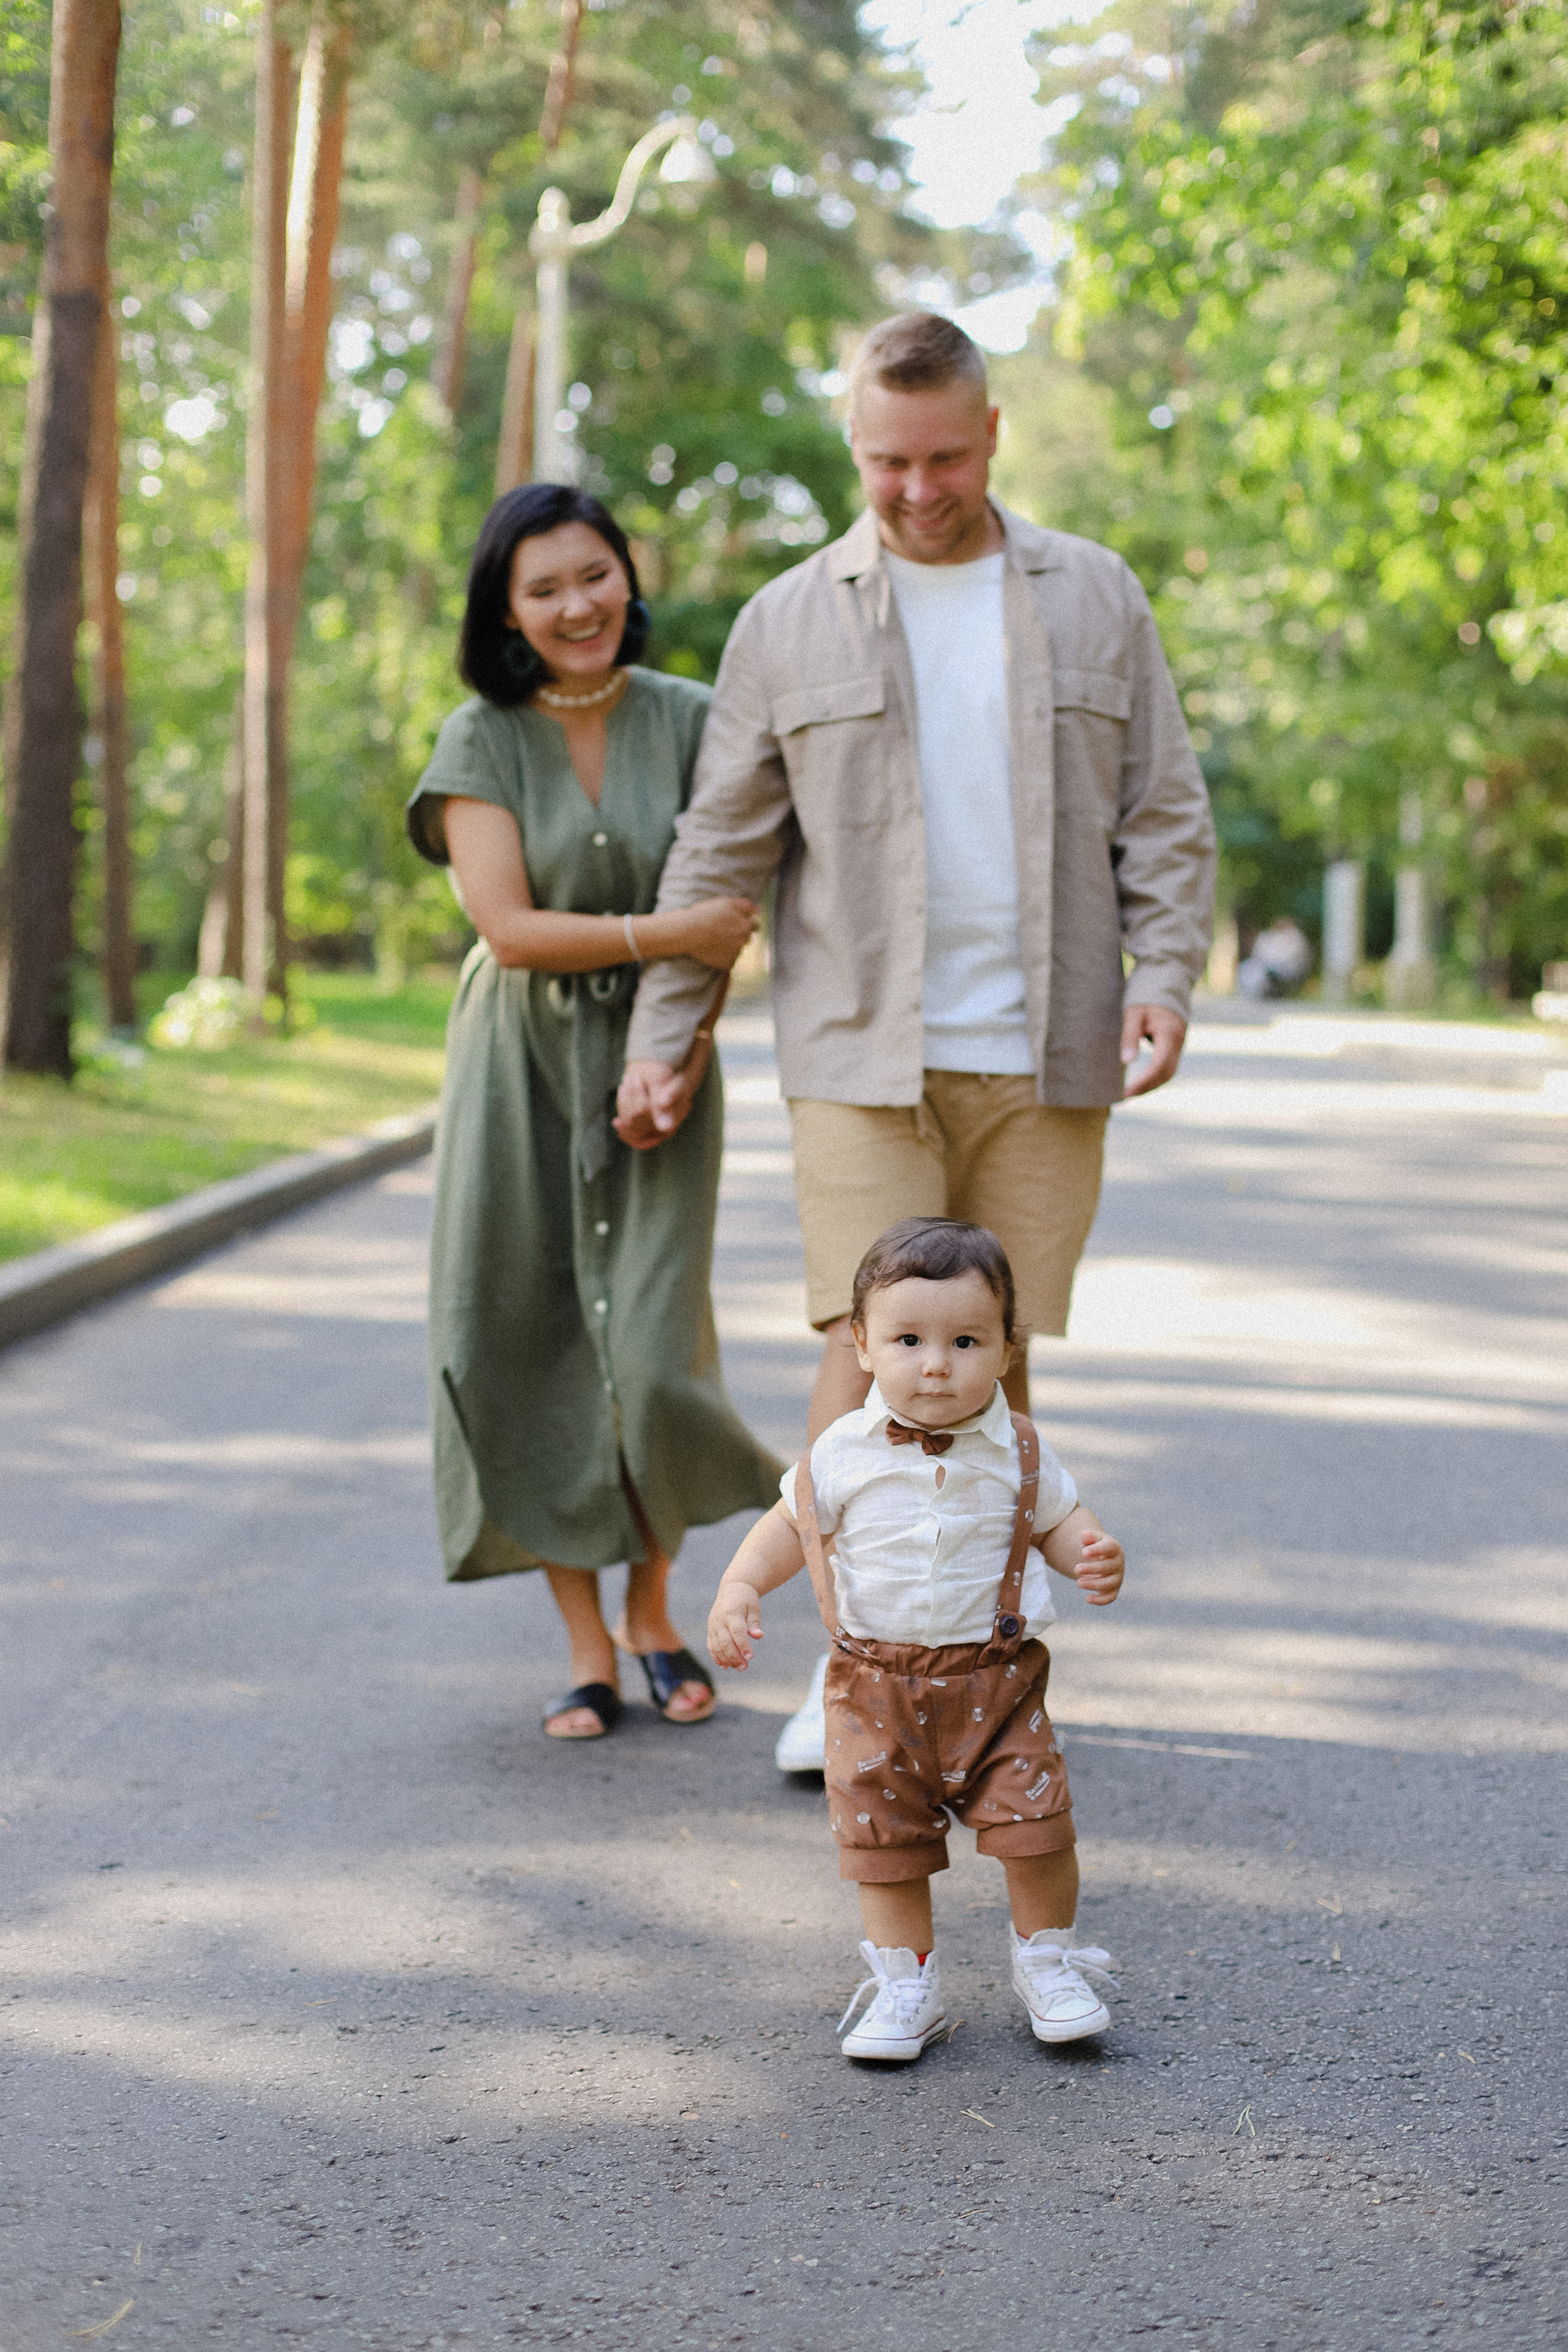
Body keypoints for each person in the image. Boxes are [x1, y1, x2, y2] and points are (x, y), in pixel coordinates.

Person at [616, 310, 1215, 1767]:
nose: (918, 489)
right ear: (852, 445)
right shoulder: (788, 619)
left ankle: (968, 1668)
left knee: (984, 1368)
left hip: (1047, 1042)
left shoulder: (1092, 595)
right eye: (887, 462)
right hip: (856, 1045)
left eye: (945, 455)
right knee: (865, 1346)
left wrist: (1169, 975)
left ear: (992, 432)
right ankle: (854, 1678)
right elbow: (720, 847)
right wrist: (663, 1034)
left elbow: (1162, 809)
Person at [405, 483, 780, 1741]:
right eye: (544, 588)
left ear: (628, 574)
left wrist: (680, 1044)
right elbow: (508, 932)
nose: (577, 605)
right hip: (520, 1069)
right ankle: (585, 1644)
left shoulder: (695, 719)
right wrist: (667, 928)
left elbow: (735, 900)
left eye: (594, 574)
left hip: (664, 1054)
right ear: (507, 612)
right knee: (529, 1339)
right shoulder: (481, 738)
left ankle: (655, 1610)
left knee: (652, 1354)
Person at [709, 1216, 1125, 2062]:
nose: (936, 1363)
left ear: (1009, 1350)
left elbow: (1059, 1524)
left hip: (998, 1684)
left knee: (1037, 1829)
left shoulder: (1021, 1452)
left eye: (966, 1340)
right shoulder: (841, 1455)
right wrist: (740, 1584)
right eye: (908, 1339)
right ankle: (908, 1983)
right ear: (861, 1344)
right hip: (874, 1689)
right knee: (884, 1847)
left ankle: (1049, 1960)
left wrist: (1094, 1554)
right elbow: (792, 1526)